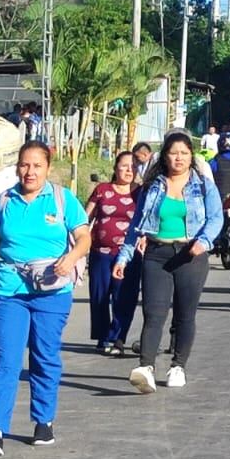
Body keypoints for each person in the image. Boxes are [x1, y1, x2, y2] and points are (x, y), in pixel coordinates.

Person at [0, 141, 91, 453]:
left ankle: (43, 421)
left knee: (44, 355)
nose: (29, 171)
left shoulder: (61, 199)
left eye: (36, 166)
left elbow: (84, 237)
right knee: (6, 359)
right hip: (9, 289)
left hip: (52, 291)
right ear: (17, 167)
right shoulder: (5, 201)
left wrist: (70, 259)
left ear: (47, 167)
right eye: (24, 165)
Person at [116, 131, 223, 394]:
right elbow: (136, 224)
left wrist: (204, 242)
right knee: (153, 313)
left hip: (190, 255)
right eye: (174, 153)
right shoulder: (153, 186)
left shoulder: (203, 185)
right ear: (164, 156)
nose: (179, 158)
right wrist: (124, 256)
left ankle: (178, 366)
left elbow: (216, 218)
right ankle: (146, 368)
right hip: (156, 254)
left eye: (184, 153)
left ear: (191, 157)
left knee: (185, 314)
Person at [86, 150, 142, 356]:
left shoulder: (141, 193)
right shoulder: (102, 190)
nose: (129, 170)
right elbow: (86, 217)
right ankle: (102, 337)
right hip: (100, 252)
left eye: (134, 166)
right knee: (99, 296)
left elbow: (149, 220)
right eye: (125, 165)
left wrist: (144, 238)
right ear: (115, 167)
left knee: (124, 297)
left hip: (128, 255)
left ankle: (117, 337)